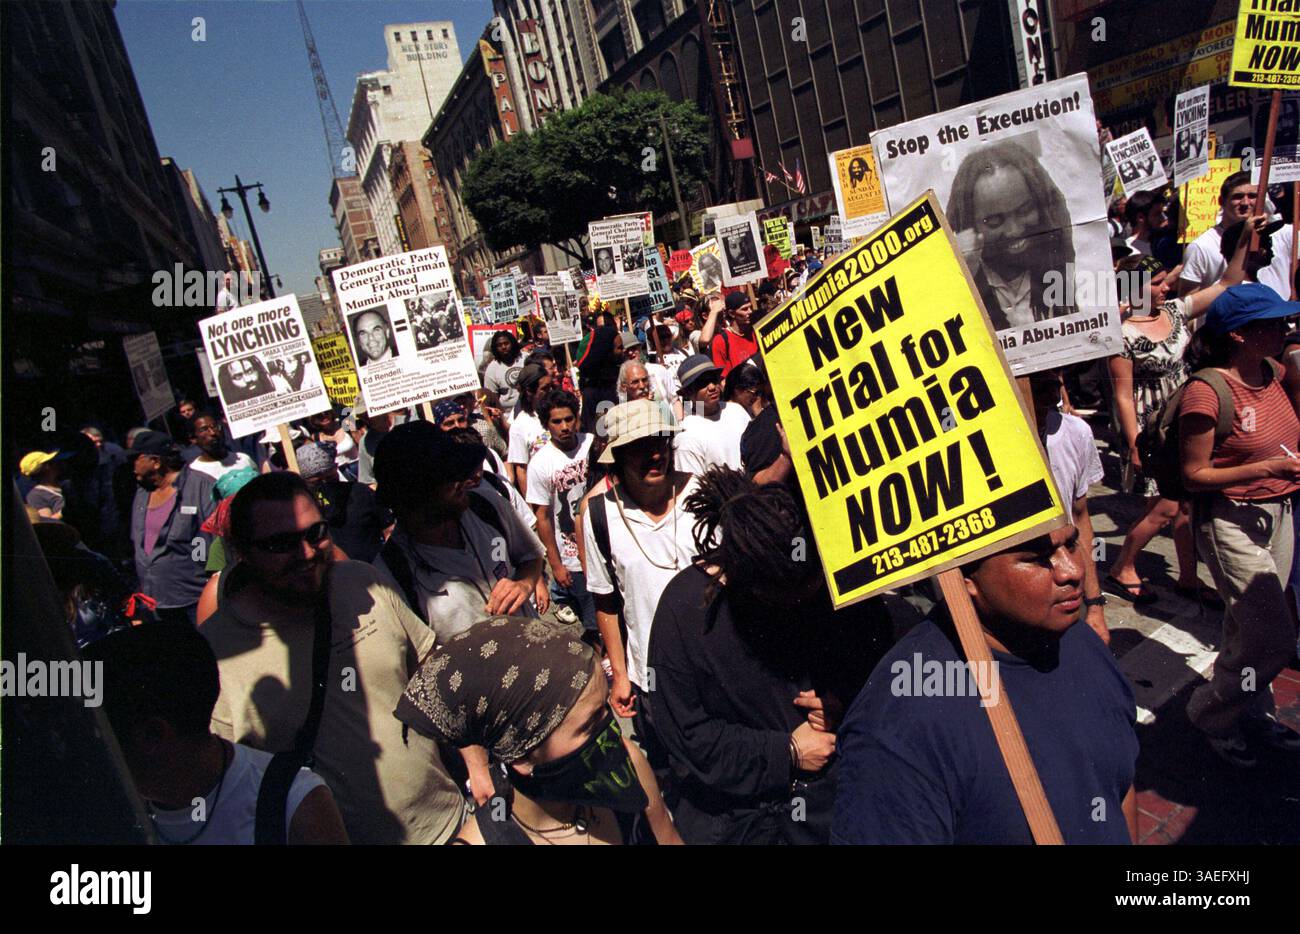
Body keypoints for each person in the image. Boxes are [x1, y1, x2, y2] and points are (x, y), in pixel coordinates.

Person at [202, 472, 466, 844]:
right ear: (241, 551)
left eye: (316, 534)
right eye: (282, 543)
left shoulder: (363, 582)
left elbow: (433, 679)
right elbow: (230, 790)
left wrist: (477, 768)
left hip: (449, 825)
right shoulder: (217, 651)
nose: (307, 553)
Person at [832, 525, 1139, 844]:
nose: (1073, 570)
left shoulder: (1082, 642)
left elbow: (1119, 782)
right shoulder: (902, 722)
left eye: (1072, 544)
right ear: (966, 579)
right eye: (1038, 558)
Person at [648, 467, 889, 843]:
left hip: (832, 815)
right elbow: (686, 737)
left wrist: (847, 702)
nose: (808, 600)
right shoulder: (684, 611)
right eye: (794, 596)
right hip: (737, 825)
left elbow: (886, 669)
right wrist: (786, 752)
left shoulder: (822, 587)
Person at [396, 616, 680, 845]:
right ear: (522, 757)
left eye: (605, 710)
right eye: (590, 724)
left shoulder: (626, 764)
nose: (611, 736)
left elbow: (667, 837)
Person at [85, 620, 348, 845]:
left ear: (153, 737)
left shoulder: (294, 804)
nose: (83, 750)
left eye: (95, 734)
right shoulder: (104, 814)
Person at [1178, 283, 1300, 766]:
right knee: (1272, 634)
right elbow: (1195, 474)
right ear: (1241, 335)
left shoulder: (1273, 372)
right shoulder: (1207, 392)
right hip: (1230, 520)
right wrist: (1267, 469)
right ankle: (1210, 714)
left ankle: (1250, 706)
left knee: (1247, 624)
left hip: (1279, 513)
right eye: (1272, 323)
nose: (1285, 329)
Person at [1106, 223, 1258, 606]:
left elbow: (1227, 283)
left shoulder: (1175, 311)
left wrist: (1242, 243)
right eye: (1156, 282)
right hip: (1150, 429)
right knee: (1165, 506)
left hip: (1185, 418)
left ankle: (1188, 578)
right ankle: (1122, 566)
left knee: (1186, 506)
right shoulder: (1120, 335)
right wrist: (1135, 443)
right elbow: (1123, 395)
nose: (1165, 288)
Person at [583, 400, 701, 748]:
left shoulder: (701, 491)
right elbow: (605, 601)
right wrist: (620, 675)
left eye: (660, 443)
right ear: (618, 458)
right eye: (640, 448)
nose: (655, 455)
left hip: (714, 661)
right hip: (655, 675)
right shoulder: (598, 514)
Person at [373, 421, 544, 643]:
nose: (463, 480)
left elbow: (531, 557)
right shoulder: (392, 575)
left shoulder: (488, 506)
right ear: (415, 495)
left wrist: (524, 583)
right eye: (448, 477)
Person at [946, 139, 1077, 330]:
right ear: (969, 225)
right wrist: (961, 279)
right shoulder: (960, 284)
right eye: (994, 221)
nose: (1014, 230)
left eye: (1024, 210)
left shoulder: (1075, 272)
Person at [1028, 369, 1109, 643]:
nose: (1051, 390)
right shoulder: (984, 439)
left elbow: (1081, 519)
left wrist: (1095, 604)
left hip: (1065, 584)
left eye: (1055, 381)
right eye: (1037, 382)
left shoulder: (1076, 432)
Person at [129, 430, 216, 626]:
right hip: (155, 601)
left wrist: (199, 574)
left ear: (156, 462)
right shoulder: (142, 492)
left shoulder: (199, 487)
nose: (132, 464)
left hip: (194, 600)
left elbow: (207, 542)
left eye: (137, 458)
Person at [526, 389, 595, 629]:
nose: (564, 426)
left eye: (569, 419)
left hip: (603, 542)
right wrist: (556, 564)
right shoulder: (540, 464)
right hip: (573, 557)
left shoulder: (591, 444)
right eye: (556, 421)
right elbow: (542, 518)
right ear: (546, 424)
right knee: (592, 618)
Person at [1179, 171, 1297, 301]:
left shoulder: (1284, 234)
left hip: (1279, 316)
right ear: (1221, 201)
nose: (1245, 203)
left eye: (1252, 196)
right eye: (1237, 197)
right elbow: (1187, 303)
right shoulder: (1201, 247)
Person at [295, 441, 387, 564]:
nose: (325, 486)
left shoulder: (360, 492)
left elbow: (388, 528)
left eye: (329, 478)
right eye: (316, 482)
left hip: (376, 568)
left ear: (335, 468)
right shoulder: (305, 509)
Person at [673, 355, 751, 474]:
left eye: (714, 380)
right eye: (703, 383)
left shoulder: (737, 411)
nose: (712, 387)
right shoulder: (686, 437)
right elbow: (694, 488)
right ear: (688, 392)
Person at [506, 363, 554, 494]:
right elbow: (521, 470)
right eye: (544, 388)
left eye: (551, 386)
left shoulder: (559, 412)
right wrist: (532, 508)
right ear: (529, 391)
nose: (550, 392)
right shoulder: (519, 426)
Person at [575, 326, 625, 435]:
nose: (624, 351)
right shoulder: (591, 394)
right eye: (620, 348)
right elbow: (593, 433)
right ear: (606, 352)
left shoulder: (622, 378)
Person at [186, 412, 256, 482]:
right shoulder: (195, 473)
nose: (213, 433)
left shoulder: (244, 459)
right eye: (204, 429)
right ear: (193, 438)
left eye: (214, 426)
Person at [483, 329, 525, 419]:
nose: (503, 347)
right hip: (508, 415)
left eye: (506, 343)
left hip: (530, 408)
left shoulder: (525, 358)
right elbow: (492, 398)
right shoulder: (492, 369)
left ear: (512, 343)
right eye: (499, 345)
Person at [1123, 189, 1170, 259]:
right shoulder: (1130, 251)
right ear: (1141, 217)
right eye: (1157, 214)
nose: (1164, 218)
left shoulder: (1158, 243)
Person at [22, 450, 65, 520]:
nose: (58, 463)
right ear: (46, 467)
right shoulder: (36, 495)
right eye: (51, 461)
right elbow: (48, 522)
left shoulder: (65, 483)